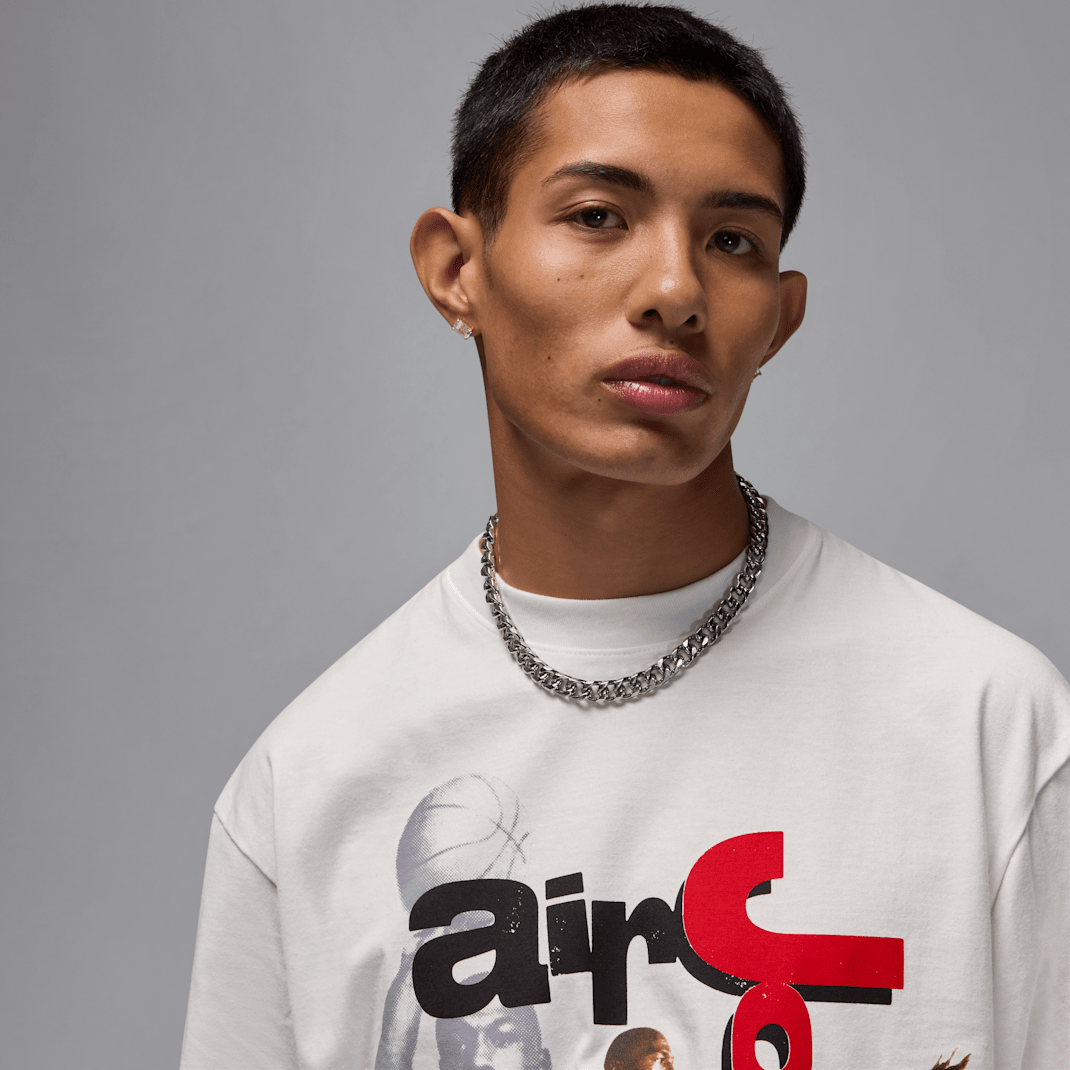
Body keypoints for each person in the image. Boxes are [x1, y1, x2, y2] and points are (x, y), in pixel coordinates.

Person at [180, 4, 1070, 1069]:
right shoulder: (313, 781)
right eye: (599, 216)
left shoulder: (991, 729)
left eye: (732, 241)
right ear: (456, 270)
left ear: (779, 319)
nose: (675, 290)